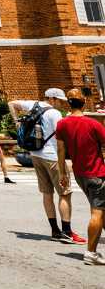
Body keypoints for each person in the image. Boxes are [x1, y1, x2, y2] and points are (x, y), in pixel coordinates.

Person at [9, 91, 84, 243]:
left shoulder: (33, 105)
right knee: (64, 193)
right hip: (53, 157)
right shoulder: (54, 113)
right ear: (51, 98)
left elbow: (11, 104)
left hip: (36, 154)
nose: (62, 103)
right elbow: (63, 135)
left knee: (47, 193)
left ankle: (55, 231)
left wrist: (17, 121)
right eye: (59, 100)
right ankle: (67, 232)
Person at [56, 88, 105, 266]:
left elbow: (61, 150)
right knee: (97, 212)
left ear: (69, 103)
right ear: (84, 102)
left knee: (101, 210)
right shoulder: (94, 124)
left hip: (79, 174)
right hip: (97, 174)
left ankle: (92, 250)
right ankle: (91, 253)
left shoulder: (62, 124)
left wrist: (62, 172)